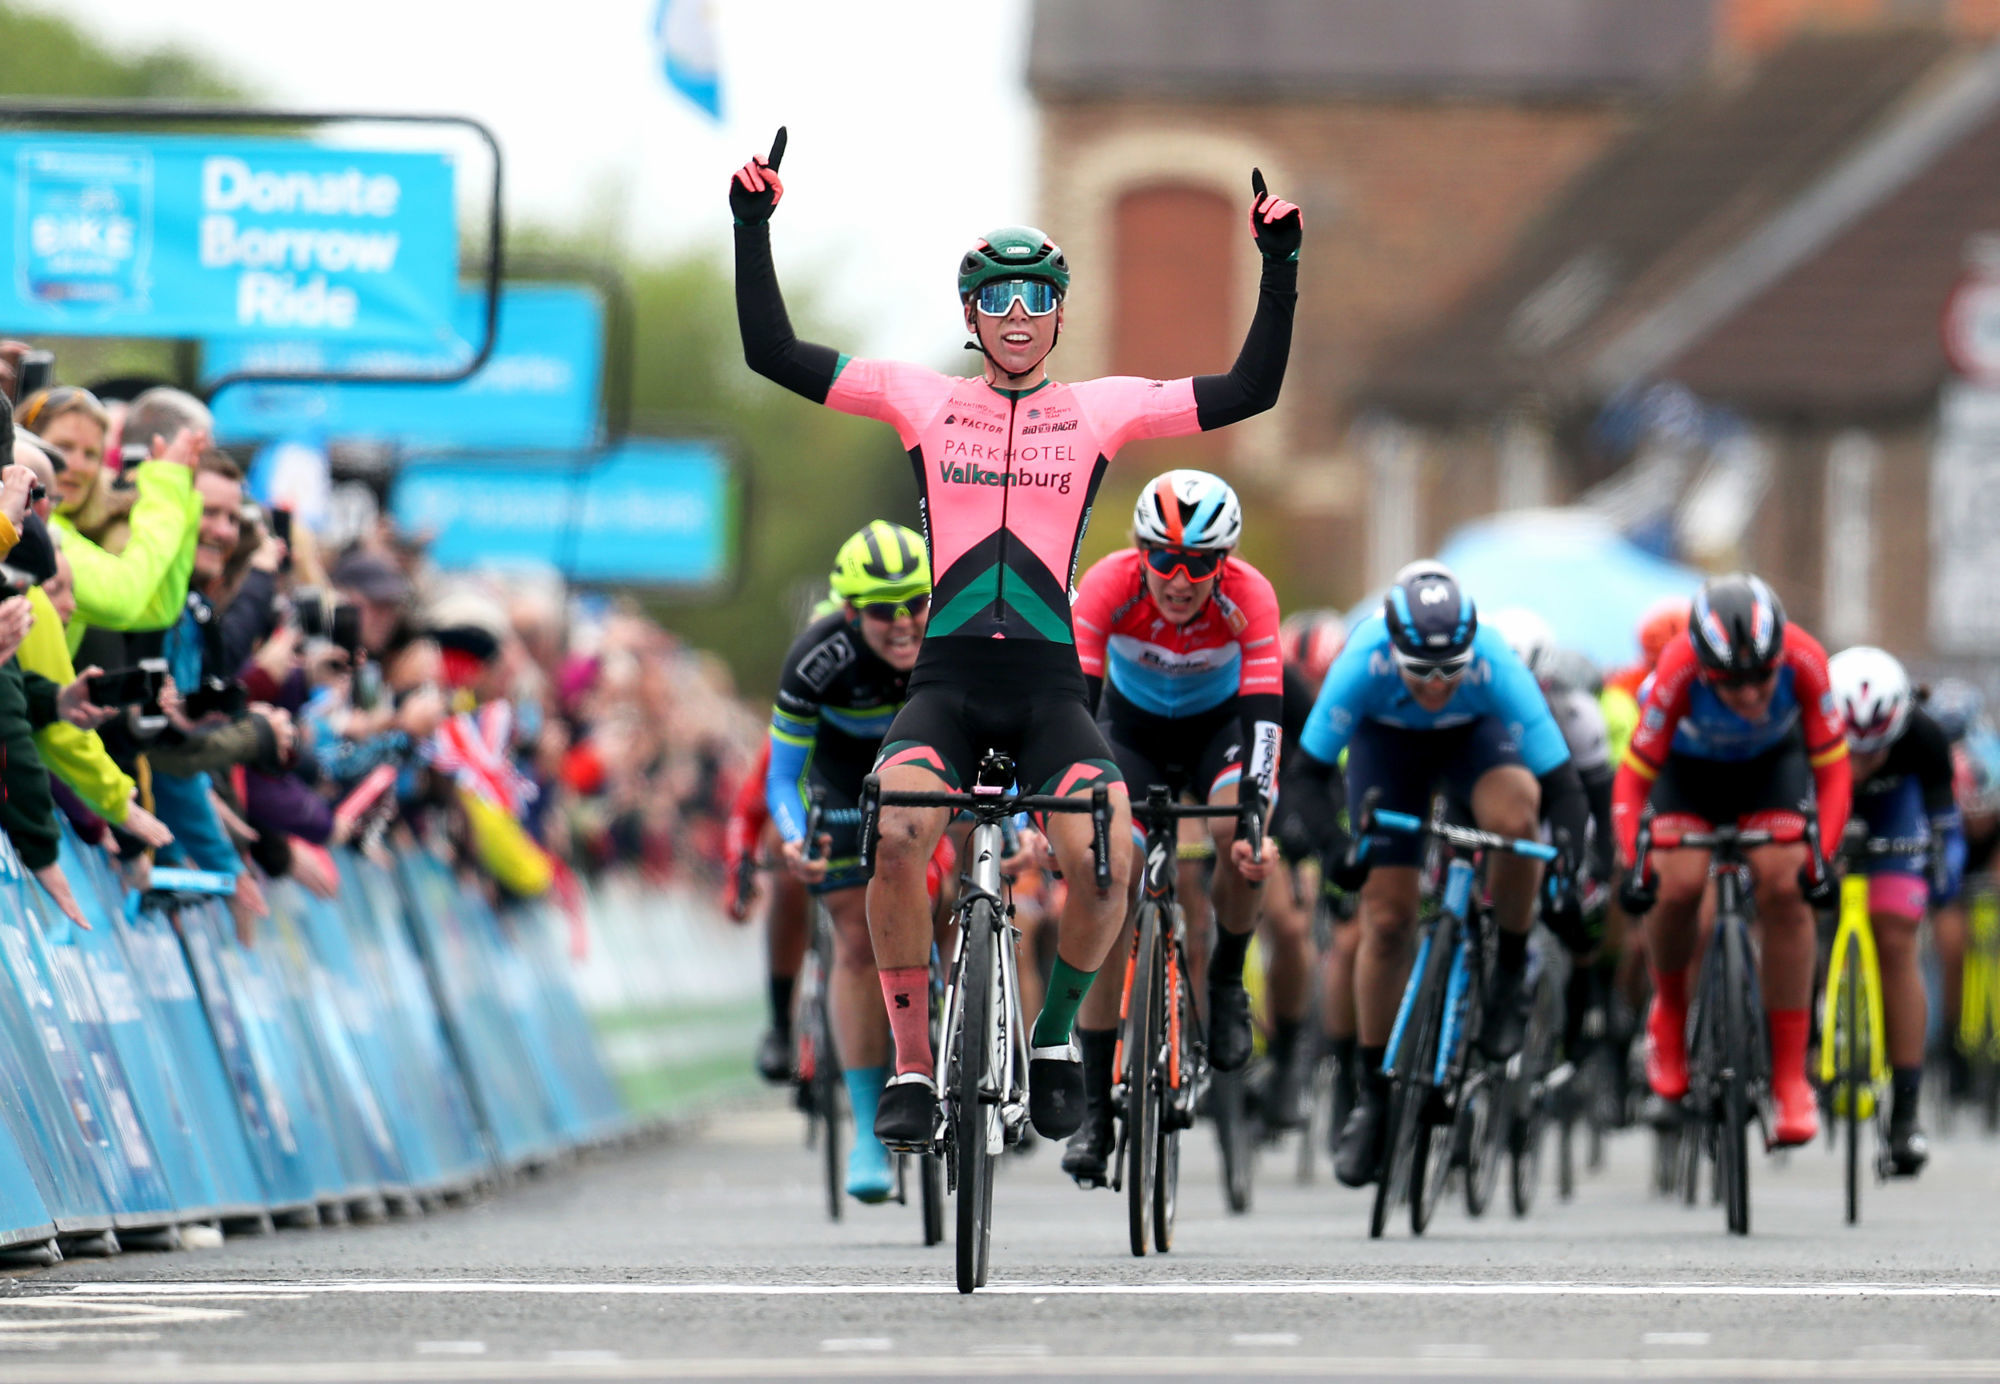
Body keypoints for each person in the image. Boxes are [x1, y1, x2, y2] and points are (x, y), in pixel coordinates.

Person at [732, 129, 1301, 1148]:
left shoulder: (1098, 411)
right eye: (997, 300)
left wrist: (1278, 267)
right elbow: (772, 354)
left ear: (1060, 315)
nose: (1018, 317)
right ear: (969, 316)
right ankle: (911, 1061)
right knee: (896, 834)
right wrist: (751, 225)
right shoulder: (921, 401)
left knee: (1106, 856)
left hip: (1048, 694)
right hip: (944, 683)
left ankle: (1048, 1040)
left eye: (1038, 299)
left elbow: (1247, 391)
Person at [1286, 562, 1589, 1188]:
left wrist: (1567, 860)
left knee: (1518, 814)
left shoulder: (1495, 660)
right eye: (1420, 669)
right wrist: (1336, 849)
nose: (1436, 683)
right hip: (1388, 750)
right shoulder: (1362, 657)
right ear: (1390, 650)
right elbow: (1308, 776)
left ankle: (1507, 961)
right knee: (1388, 920)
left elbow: (1563, 788)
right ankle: (1374, 1097)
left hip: (1477, 744)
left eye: (1451, 668)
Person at [1058, 470, 1281, 1185]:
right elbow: (1076, 711)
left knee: (1235, 840)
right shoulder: (1106, 586)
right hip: (1128, 731)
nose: (1180, 580)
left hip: (1218, 731)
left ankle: (1224, 982)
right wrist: (1071, 804)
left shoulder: (1250, 597)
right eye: (1164, 559)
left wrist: (1256, 806)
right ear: (1139, 550)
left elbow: (1265, 719)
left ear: (1227, 561)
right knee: (1107, 883)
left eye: (1200, 564)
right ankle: (1095, 1111)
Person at [1612, 573, 1849, 1148]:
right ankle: (1668, 1016)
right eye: (1731, 685)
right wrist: (1634, 863)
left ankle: (1791, 1076)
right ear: (1703, 669)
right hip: (1687, 778)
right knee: (1677, 884)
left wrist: (1823, 857)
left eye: (1761, 679)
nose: (1749, 695)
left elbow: (1834, 771)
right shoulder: (1676, 669)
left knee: (1787, 886)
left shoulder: (1806, 659)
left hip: (1771, 770)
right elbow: (1633, 778)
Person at [767, 522, 932, 1202]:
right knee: (857, 933)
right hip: (838, 776)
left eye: (915, 604)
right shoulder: (817, 657)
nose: (901, 624)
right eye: (880, 611)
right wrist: (793, 836)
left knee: (948, 898)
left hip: (923, 764)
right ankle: (868, 1123)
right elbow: (783, 778)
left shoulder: (951, 640)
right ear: (848, 611)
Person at [1827, 646, 1961, 1174]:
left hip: (1895, 819)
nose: (1860, 764)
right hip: (1825, 803)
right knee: (1794, 908)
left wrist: (1942, 871)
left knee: (1897, 938)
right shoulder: (1805, 730)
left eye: (1873, 750)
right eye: (1850, 750)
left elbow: (1944, 826)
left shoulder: (1923, 737)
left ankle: (1905, 1115)